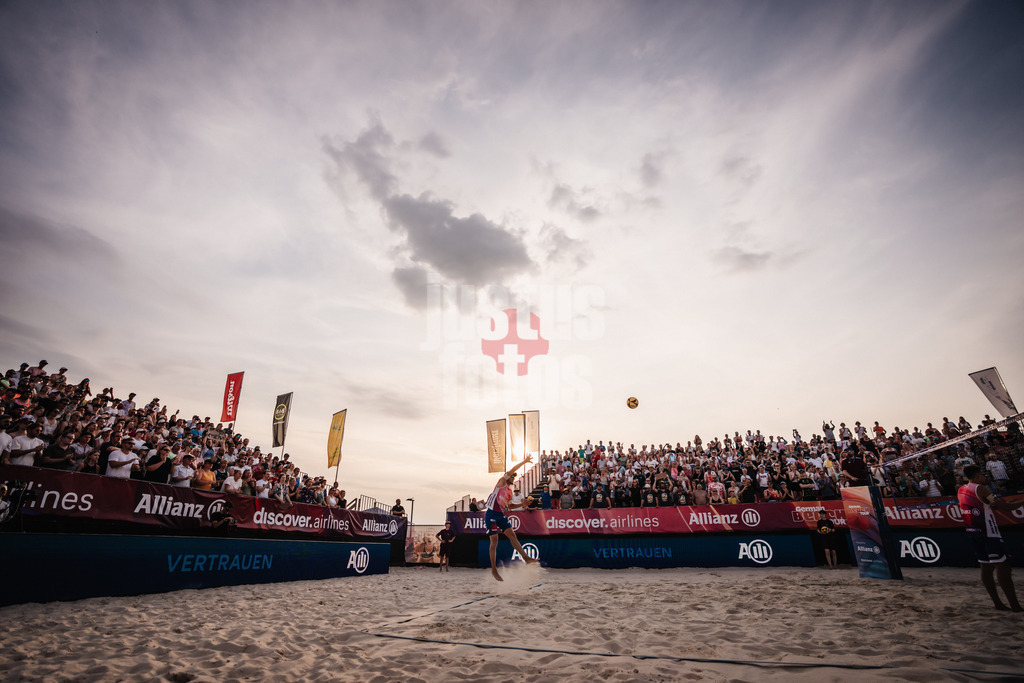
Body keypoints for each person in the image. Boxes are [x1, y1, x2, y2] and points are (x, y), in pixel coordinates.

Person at [958, 465, 1024, 611]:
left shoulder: (961, 489)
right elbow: (1005, 507)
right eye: (982, 474)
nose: (984, 477)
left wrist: (991, 504)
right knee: (1003, 567)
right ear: (976, 476)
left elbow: (987, 503)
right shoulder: (980, 488)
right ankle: (1015, 606)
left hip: (972, 531)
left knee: (986, 566)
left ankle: (998, 603)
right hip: (988, 532)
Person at [485, 455, 540, 581]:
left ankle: (526, 559)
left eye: (515, 476)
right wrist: (524, 461)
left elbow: (510, 506)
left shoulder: (509, 491)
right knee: (494, 541)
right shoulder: (501, 482)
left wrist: (522, 504)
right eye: (512, 476)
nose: (514, 477)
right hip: (491, 514)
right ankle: (494, 570)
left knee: (513, 536)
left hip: (500, 514)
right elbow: (511, 471)